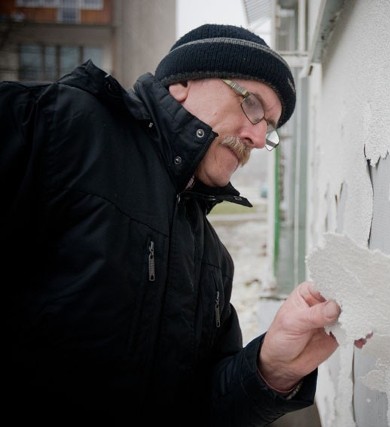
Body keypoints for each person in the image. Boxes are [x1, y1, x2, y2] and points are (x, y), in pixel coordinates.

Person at [0, 24, 343, 425]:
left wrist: (270, 369)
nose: (256, 136)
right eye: (252, 106)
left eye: (269, 128)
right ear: (182, 83)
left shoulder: (214, 261)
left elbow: (202, 407)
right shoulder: (56, 126)